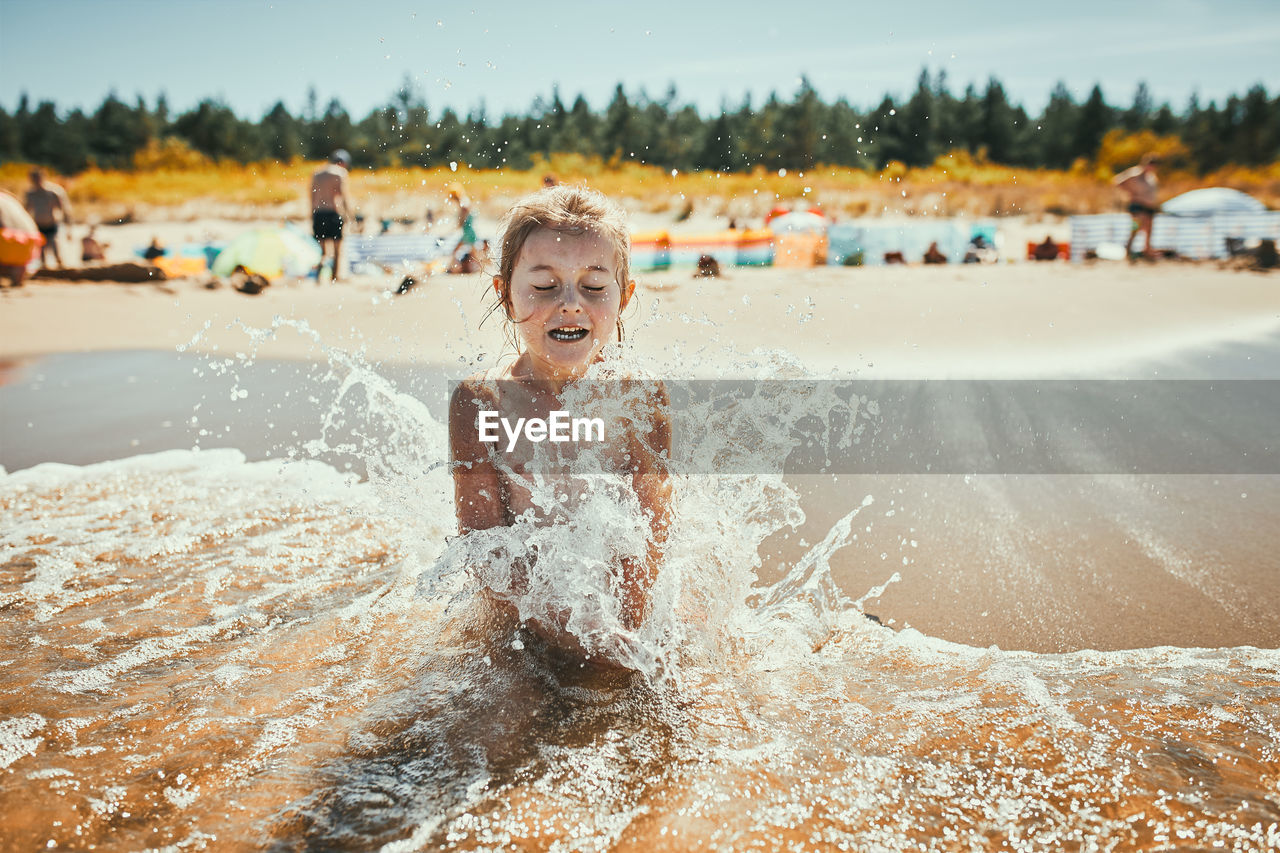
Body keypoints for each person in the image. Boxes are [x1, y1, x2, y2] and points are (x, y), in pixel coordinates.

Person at [448, 185, 671, 669]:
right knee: (497, 726)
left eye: (594, 287)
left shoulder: (640, 399)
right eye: (545, 287)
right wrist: (565, 627)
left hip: (618, 619)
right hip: (518, 630)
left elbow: (652, 536)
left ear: (624, 297)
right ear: (505, 295)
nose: (570, 303)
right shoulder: (481, 401)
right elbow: (484, 547)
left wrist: (623, 627)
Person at [310, 149, 353, 282]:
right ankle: (334, 277)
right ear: (342, 162)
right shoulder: (340, 173)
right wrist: (350, 215)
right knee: (337, 250)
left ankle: (319, 276)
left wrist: (312, 215)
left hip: (319, 213)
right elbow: (343, 196)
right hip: (333, 213)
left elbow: (312, 196)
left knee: (321, 250)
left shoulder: (317, 173)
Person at [1114, 153, 1160, 260]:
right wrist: (1130, 192)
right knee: (1136, 227)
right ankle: (1129, 249)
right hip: (1137, 206)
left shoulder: (1151, 176)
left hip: (1148, 207)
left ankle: (1147, 250)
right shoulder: (1135, 173)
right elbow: (1118, 181)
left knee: (1148, 229)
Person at [24, 169, 72, 268]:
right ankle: (45, 269)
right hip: (38, 224)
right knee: (41, 251)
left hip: (52, 223)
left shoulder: (54, 192)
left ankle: (61, 269)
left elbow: (65, 210)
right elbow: (26, 211)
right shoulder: (31, 194)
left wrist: (69, 228)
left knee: (55, 246)